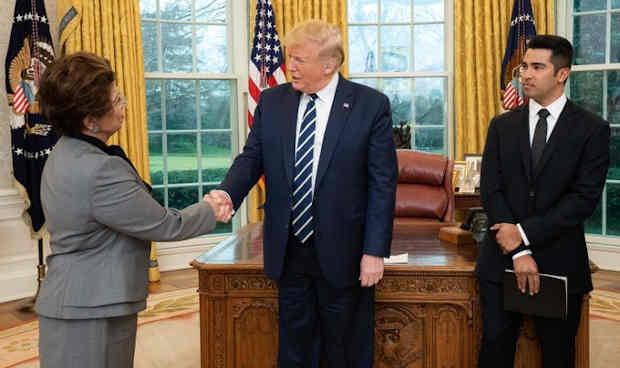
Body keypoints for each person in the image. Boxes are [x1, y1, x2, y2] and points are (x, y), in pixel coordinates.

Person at [209, 20, 398, 367]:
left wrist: (374, 250)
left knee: (345, 350)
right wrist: (228, 193)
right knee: (295, 350)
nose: (289, 66)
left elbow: (382, 184)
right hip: (289, 247)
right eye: (288, 57)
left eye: (298, 59)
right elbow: (253, 157)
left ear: (328, 65)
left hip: (346, 252)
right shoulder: (273, 101)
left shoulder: (370, 106)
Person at [34, 52, 231, 368]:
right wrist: (210, 209)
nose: (124, 105)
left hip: (80, 300)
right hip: (90, 307)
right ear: (90, 120)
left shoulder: (66, 150)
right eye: (116, 100)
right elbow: (165, 224)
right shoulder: (100, 170)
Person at [477, 35, 610, 368]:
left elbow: (583, 200)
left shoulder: (592, 129)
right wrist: (518, 250)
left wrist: (522, 234)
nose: (526, 75)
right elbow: (491, 189)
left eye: (537, 67)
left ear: (562, 74)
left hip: (560, 261)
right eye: (524, 66)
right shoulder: (501, 126)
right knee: (494, 352)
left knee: (558, 356)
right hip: (501, 261)